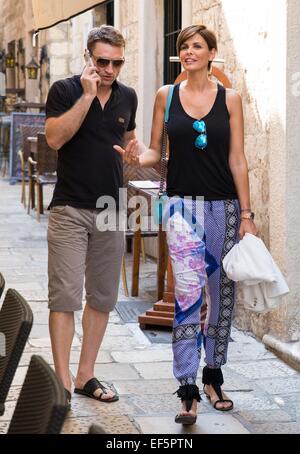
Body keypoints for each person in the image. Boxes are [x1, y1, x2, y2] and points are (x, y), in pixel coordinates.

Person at [114, 24, 258, 425]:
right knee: (188, 297)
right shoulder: (166, 95)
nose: (189, 52)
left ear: (212, 53)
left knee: (219, 295)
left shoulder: (230, 99)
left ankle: (214, 375)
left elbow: (238, 160)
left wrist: (246, 216)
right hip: (181, 208)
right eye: (184, 47)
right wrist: (135, 158)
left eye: (197, 46)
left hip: (224, 207)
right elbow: (158, 152)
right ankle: (188, 388)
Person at [45, 25, 137, 408]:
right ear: (88, 57)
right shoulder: (65, 91)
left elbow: (130, 147)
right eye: (102, 61)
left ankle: (85, 374)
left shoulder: (127, 97)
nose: (109, 69)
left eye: (116, 62)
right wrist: (86, 96)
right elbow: (54, 138)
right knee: (64, 297)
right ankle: (62, 381)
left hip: (111, 211)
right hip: (69, 208)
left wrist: (136, 156)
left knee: (102, 297)